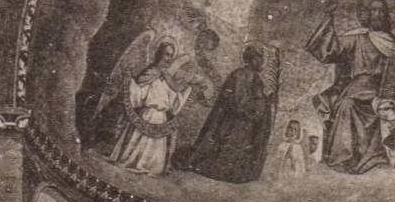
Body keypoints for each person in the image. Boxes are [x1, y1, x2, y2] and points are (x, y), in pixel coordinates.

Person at [305, 0, 395, 175]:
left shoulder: (393, 43)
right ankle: (344, 158)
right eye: (373, 11)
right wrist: (328, 17)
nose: (377, 15)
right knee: (346, 105)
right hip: (355, 90)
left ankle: (376, 156)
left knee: (389, 111)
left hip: (380, 93)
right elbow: (330, 50)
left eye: (382, 12)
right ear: (367, 15)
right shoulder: (357, 38)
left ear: (388, 16)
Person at [178, 44, 275, 183]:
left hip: (238, 125)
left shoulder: (247, 76)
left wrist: (264, 102)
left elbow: (252, 101)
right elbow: (240, 103)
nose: (262, 62)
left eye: (262, 58)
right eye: (260, 58)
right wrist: (263, 103)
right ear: (252, 59)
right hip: (235, 125)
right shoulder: (244, 75)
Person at [108, 40, 192, 174]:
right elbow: (138, 94)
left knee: (154, 156)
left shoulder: (168, 77)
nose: (169, 59)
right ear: (159, 55)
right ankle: (131, 162)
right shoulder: (151, 72)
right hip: (147, 114)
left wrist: (187, 90)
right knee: (135, 145)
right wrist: (128, 81)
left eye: (171, 56)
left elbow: (173, 98)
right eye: (166, 55)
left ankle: (149, 167)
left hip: (161, 118)